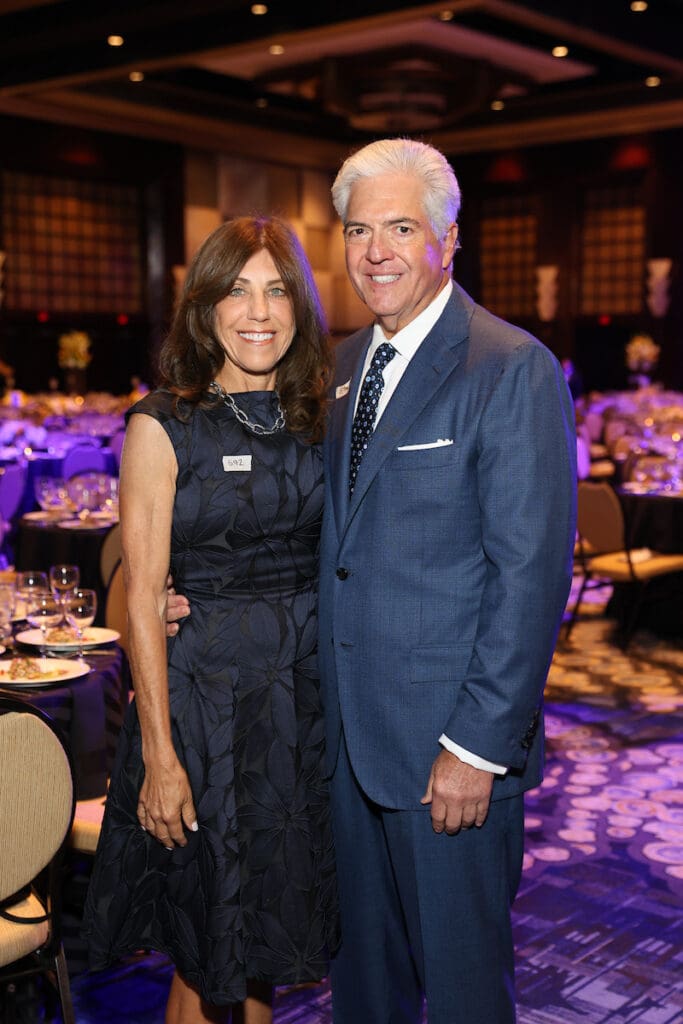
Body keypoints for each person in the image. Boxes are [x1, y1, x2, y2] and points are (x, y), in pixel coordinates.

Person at [316, 138, 576, 1023]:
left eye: (400, 228)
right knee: (363, 989)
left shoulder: (507, 367)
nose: (375, 251)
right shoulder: (341, 368)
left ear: (447, 239)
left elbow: (529, 575)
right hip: (346, 743)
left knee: (463, 996)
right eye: (358, 230)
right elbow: (333, 543)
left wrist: (475, 746)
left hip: (445, 756)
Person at [83, 216, 339, 1024]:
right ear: (205, 307)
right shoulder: (163, 424)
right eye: (236, 290)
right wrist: (159, 754)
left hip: (301, 710)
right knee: (207, 945)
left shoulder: (318, 417)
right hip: (203, 712)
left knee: (261, 941)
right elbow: (140, 597)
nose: (257, 310)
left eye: (276, 290)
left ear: (300, 306)